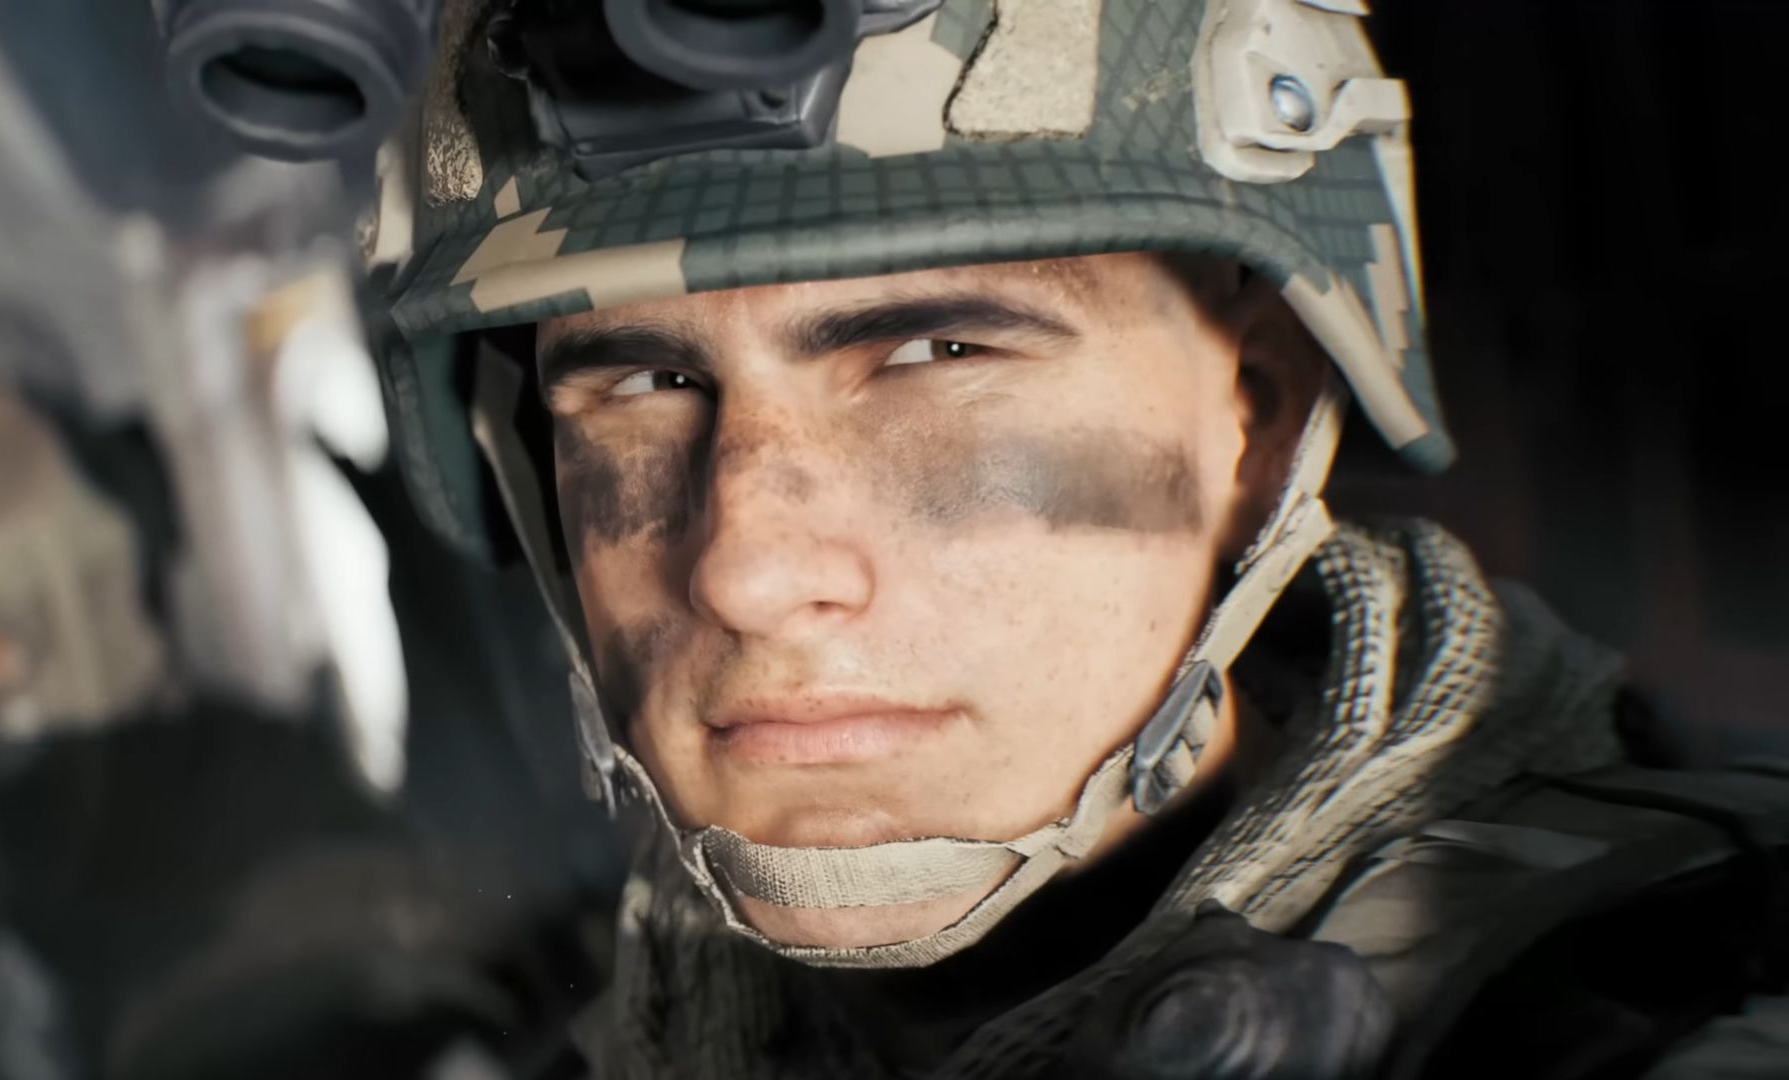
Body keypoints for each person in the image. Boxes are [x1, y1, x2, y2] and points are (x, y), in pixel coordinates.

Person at [364, 0, 1789, 1075]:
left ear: (1257, 415)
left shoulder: (1688, 996)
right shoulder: (635, 1031)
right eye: (644, 383)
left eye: (937, 352)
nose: (747, 571)